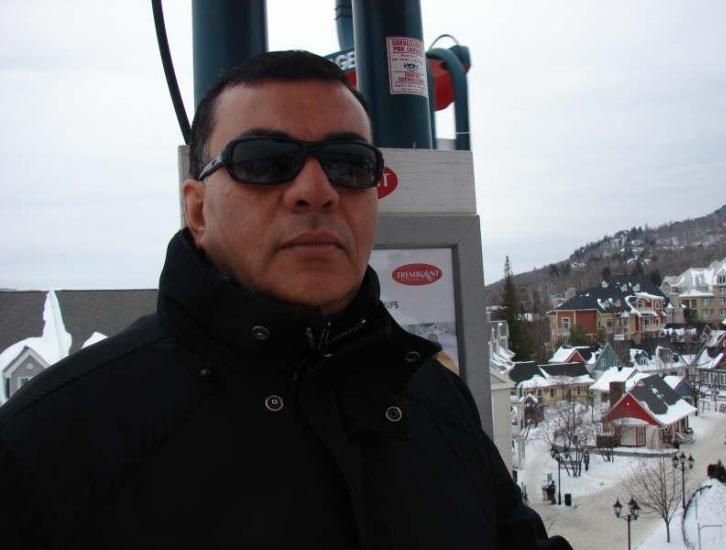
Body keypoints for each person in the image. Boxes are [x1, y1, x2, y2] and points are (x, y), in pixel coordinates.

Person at [0, 50, 570, 549]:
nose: (316, 191)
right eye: (264, 161)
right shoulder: (52, 442)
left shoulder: (434, 397)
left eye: (348, 164)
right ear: (197, 210)